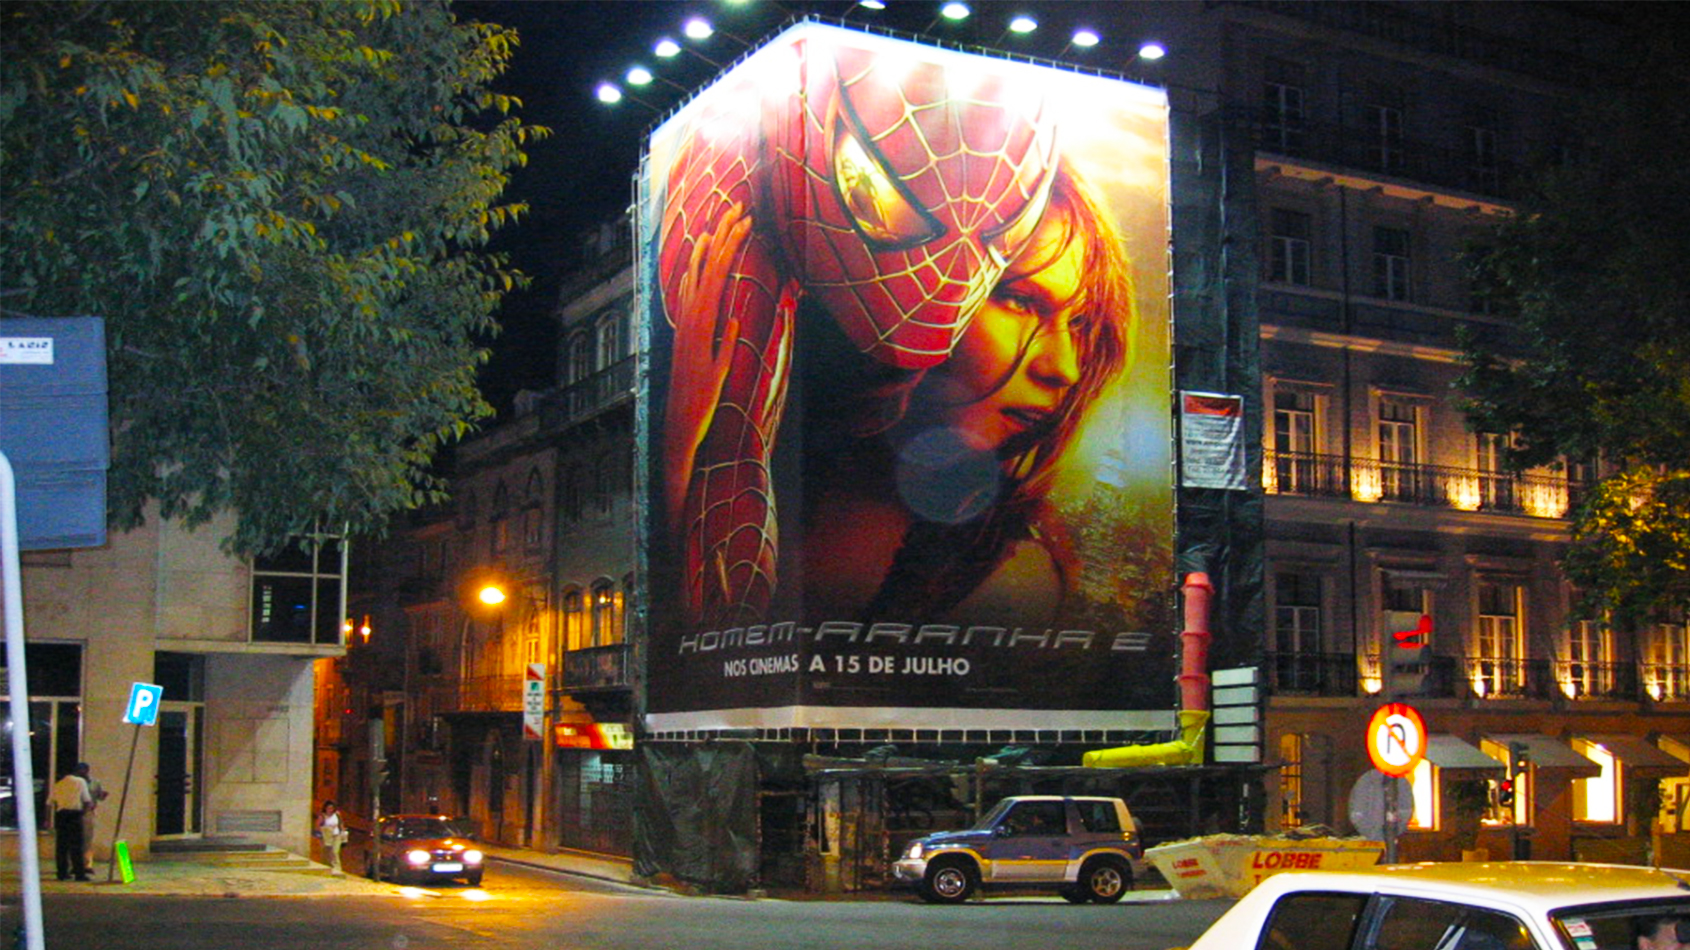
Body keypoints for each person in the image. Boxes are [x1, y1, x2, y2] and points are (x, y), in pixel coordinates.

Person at [799, 159, 1134, 624]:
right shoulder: (772, 466)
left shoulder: (1014, 579)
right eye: (1019, 301)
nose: (1065, 368)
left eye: (1079, 324)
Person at [48, 762, 94, 881]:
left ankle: (62, 872)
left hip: (61, 815)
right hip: (74, 815)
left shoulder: (59, 783)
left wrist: (48, 820)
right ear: (80, 771)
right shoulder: (80, 782)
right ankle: (79, 873)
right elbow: (87, 801)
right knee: (76, 845)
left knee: (61, 846)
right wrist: (83, 813)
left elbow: (49, 803)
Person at [316, 800, 348, 876]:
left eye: (332, 808)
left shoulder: (337, 815)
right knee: (326, 852)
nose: (330, 810)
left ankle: (337, 869)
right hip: (327, 836)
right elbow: (317, 826)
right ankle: (325, 866)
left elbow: (340, 823)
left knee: (335, 852)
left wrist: (343, 832)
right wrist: (323, 830)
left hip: (336, 835)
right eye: (328, 808)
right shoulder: (322, 816)